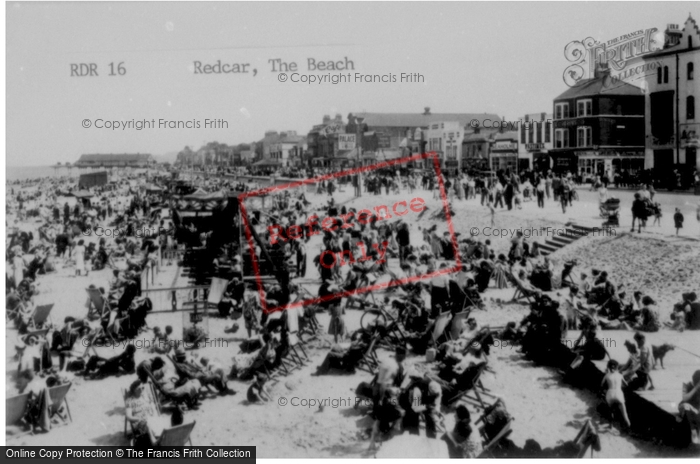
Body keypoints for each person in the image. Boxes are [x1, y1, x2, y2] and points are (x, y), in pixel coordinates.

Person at [125, 380, 159, 447]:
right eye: (139, 389)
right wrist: (139, 419)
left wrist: (155, 415)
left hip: (151, 419)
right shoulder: (130, 401)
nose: (141, 390)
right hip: (139, 422)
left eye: (142, 388)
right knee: (148, 424)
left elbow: (153, 408)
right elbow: (129, 416)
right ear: (134, 390)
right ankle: (153, 442)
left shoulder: (146, 397)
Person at [601, 359, 631, 429]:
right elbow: (626, 385)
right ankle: (628, 427)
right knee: (625, 414)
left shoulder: (606, 375)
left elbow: (602, 385)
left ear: (608, 366)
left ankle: (610, 425)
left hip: (610, 393)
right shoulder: (620, 375)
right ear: (617, 367)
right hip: (618, 393)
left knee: (610, 411)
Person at [678, 370, 700, 444]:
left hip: (697, 407)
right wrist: (696, 388)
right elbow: (685, 398)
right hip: (685, 406)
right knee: (687, 407)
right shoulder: (686, 385)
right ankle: (694, 433)